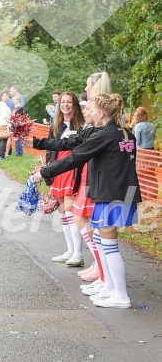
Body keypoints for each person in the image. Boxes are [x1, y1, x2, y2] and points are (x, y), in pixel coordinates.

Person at [33, 94, 142, 309]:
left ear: (101, 113)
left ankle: (120, 295)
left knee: (109, 247)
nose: (86, 112)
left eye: (90, 109)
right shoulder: (125, 133)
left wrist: (44, 171)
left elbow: (75, 157)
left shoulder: (105, 135)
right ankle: (110, 289)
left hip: (112, 194)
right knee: (104, 243)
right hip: (120, 193)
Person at [34, 92, 85, 266]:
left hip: (72, 170)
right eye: (63, 102)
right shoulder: (56, 125)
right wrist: (48, 170)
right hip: (58, 170)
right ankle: (70, 250)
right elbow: (50, 149)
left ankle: (78, 254)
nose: (65, 105)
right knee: (63, 212)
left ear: (75, 104)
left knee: (71, 211)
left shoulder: (81, 125)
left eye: (69, 102)